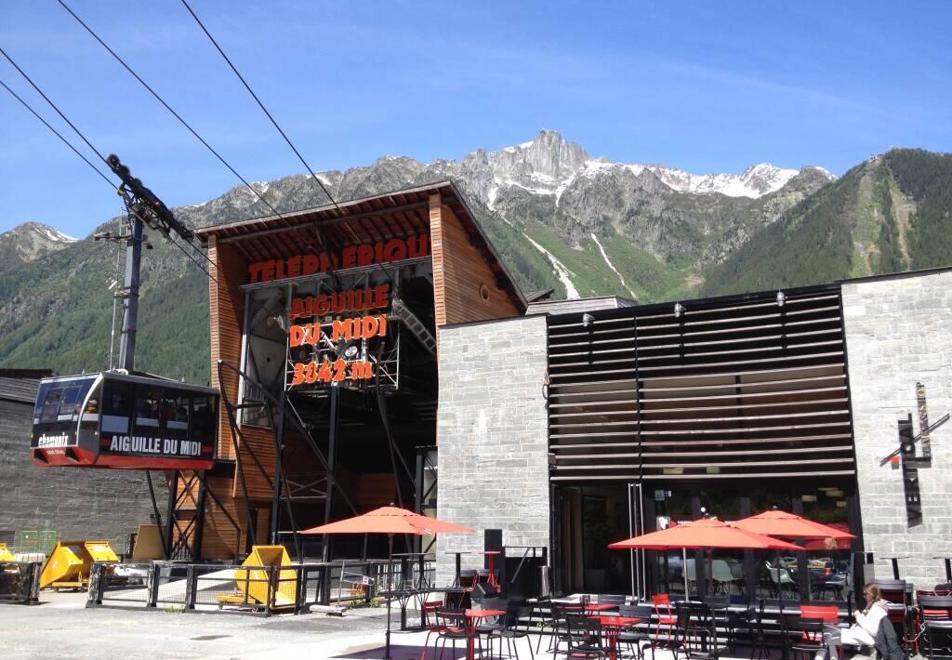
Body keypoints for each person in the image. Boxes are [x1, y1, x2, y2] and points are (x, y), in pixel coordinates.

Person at [816, 583, 889, 660]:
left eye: (865, 594)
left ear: (871, 594)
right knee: (829, 633)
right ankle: (826, 657)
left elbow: (874, 631)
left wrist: (859, 616)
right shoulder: (872, 605)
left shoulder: (878, 610)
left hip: (864, 637)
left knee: (830, 635)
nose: (863, 596)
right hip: (859, 634)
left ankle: (821, 657)